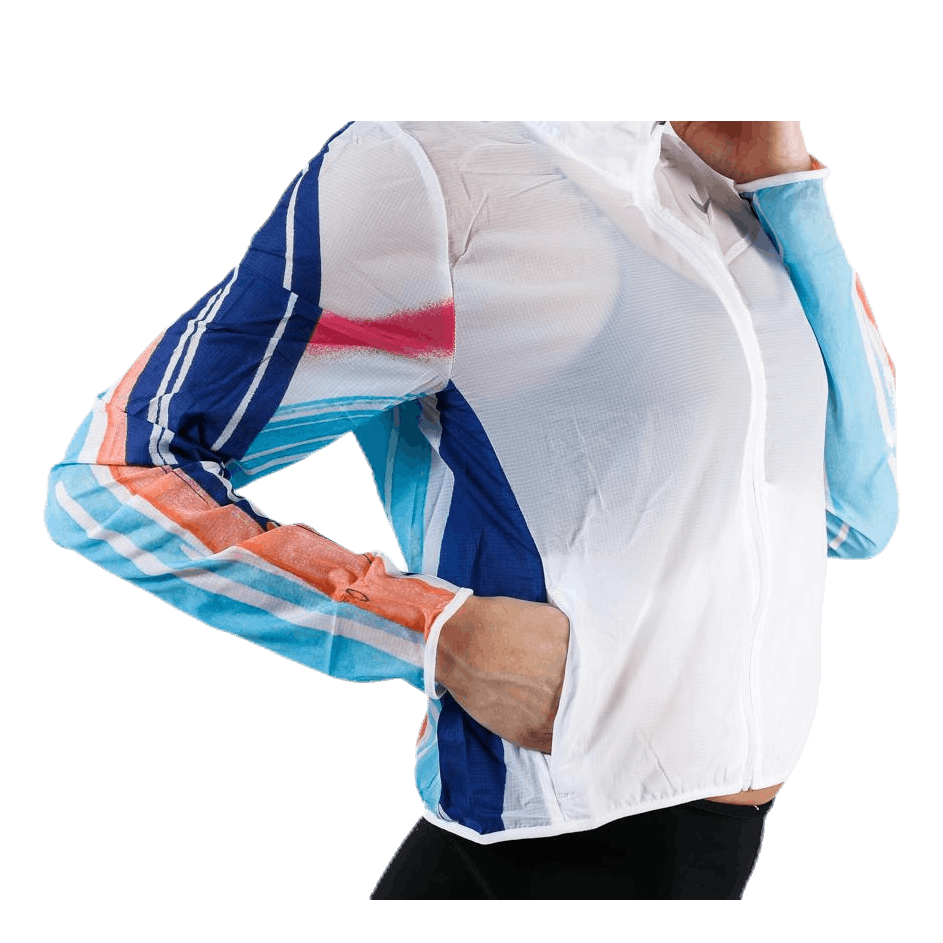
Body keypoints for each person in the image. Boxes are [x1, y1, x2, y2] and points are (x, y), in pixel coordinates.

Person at [43, 121, 898, 899]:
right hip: (541, 843)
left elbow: (854, 512)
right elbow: (114, 476)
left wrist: (786, 186)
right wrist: (436, 631)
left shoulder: (720, 186)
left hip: (718, 852)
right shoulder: (422, 166)